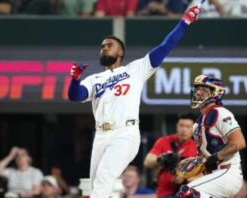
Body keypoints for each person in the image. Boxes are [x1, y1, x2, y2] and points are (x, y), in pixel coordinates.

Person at [68, 4, 200, 198]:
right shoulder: (94, 79)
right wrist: (75, 79)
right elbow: (75, 96)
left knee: (104, 177)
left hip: (125, 133)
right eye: (102, 46)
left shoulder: (135, 70)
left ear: (120, 52)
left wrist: (184, 22)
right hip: (101, 135)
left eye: (109, 45)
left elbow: (165, 47)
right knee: (96, 184)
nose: (104, 48)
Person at [174, 75, 246, 198]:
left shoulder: (220, 112)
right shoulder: (197, 123)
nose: (198, 92)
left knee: (187, 193)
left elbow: (239, 142)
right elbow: (204, 158)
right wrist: (188, 171)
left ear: (216, 93)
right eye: (197, 89)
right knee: (185, 192)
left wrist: (215, 157)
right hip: (213, 175)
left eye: (204, 89)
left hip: (228, 173)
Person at [144, 113, 198, 198]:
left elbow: (203, 173)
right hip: (165, 192)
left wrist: (185, 178)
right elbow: (147, 162)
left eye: (188, 127)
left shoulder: (198, 146)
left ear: (194, 128)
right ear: (176, 126)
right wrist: (163, 158)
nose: (184, 129)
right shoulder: (164, 141)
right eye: (181, 125)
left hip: (187, 192)